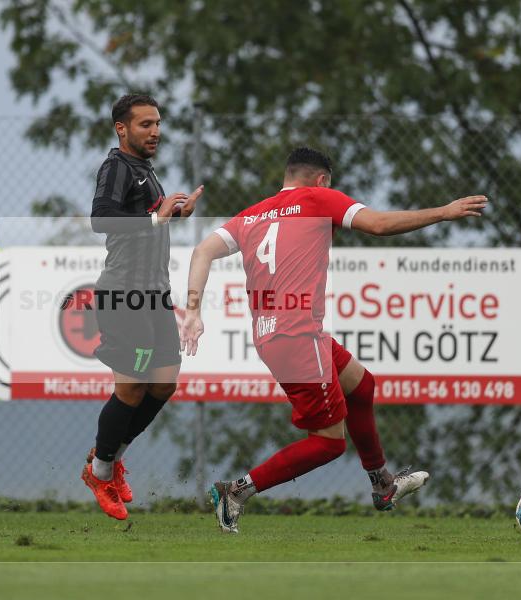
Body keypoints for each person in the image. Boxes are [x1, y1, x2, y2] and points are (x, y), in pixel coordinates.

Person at [180, 147, 487, 533]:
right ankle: (237, 491)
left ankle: (383, 484)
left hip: (276, 333)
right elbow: (376, 223)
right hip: (297, 335)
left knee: (361, 385)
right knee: (329, 442)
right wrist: (443, 212)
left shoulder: (252, 214)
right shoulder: (318, 197)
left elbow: (202, 251)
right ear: (322, 179)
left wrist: (193, 310)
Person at [81, 94, 204, 520]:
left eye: (157, 123)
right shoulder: (116, 167)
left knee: (164, 384)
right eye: (145, 124)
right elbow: (101, 219)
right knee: (131, 387)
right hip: (123, 294)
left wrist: (175, 214)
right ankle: (100, 471)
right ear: (122, 129)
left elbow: (152, 219)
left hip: (154, 294)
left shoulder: (145, 171)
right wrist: (158, 218)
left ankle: (110, 462)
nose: (155, 131)